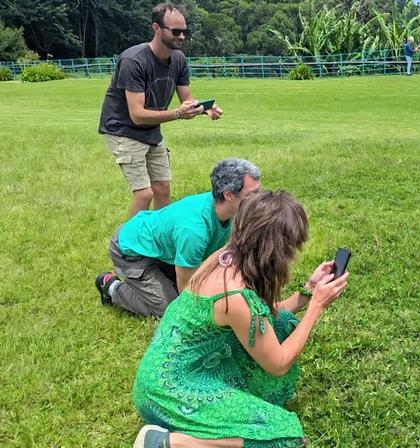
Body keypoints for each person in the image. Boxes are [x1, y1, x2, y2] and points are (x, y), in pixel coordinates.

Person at [131, 190, 349, 448]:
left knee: (282, 325)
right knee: (284, 436)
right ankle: (166, 442)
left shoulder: (226, 258)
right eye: (290, 247)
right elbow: (277, 363)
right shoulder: (236, 295)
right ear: (274, 249)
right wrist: (316, 306)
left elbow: (259, 319)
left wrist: (308, 291)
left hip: (175, 372)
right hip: (170, 392)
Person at [99, 2, 224, 218]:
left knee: (163, 190)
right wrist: (177, 114)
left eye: (185, 31)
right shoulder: (134, 61)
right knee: (144, 194)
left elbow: (187, 100)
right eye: (176, 31)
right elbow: (137, 115)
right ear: (156, 28)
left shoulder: (179, 60)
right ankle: (126, 247)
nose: (182, 37)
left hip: (151, 130)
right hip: (123, 130)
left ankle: (159, 241)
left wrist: (205, 108)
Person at [95, 159, 261, 318]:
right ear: (229, 195)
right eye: (253, 194)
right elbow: (187, 287)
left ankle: (160, 277)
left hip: (160, 250)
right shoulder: (194, 230)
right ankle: (111, 286)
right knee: (170, 309)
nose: (259, 199)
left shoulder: (230, 211)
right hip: (131, 251)